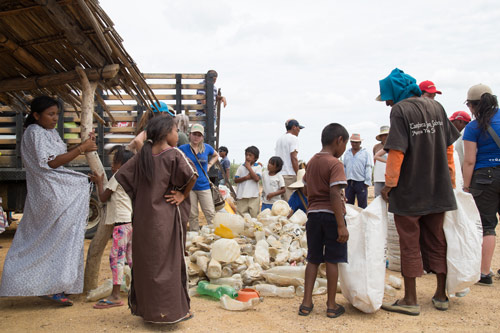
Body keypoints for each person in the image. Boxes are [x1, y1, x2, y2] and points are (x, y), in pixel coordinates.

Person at [0, 96, 97, 305]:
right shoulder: (34, 133)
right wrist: (82, 149)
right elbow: (52, 163)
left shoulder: (48, 132)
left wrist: (84, 144)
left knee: (52, 241)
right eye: (50, 114)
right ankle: (51, 286)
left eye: (57, 114)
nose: (55, 118)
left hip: (49, 191)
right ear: (36, 115)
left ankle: (55, 285)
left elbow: (58, 157)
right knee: (54, 240)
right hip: (51, 193)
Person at [377, 68, 459, 315]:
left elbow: (397, 152)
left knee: (409, 243)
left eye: (387, 97)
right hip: (438, 188)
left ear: (395, 93)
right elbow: (447, 148)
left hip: (410, 191)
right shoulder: (436, 107)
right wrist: (450, 181)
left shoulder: (400, 111)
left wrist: (389, 185)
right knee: (437, 239)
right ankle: (441, 294)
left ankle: (410, 299)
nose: (387, 102)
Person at [115, 114, 197, 323]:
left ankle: (148, 311)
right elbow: (192, 175)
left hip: (143, 220)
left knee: (147, 263)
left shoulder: (142, 156)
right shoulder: (173, 154)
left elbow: (122, 177)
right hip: (165, 220)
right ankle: (172, 311)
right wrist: (182, 194)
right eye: (175, 130)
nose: (177, 134)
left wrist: (141, 198)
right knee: (168, 262)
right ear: (166, 132)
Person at [298, 123, 349, 318]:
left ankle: (306, 303)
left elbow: (305, 189)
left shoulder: (311, 162)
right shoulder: (335, 163)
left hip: (313, 216)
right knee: (332, 260)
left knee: (313, 259)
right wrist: (341, 225)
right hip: (331, 216)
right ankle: (331, 305)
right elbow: (335, 193)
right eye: (343, 146)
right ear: (339, 141)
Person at [462, 83, 500, 286]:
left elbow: (469, 160)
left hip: (485, 177)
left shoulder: (473, 127)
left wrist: (466, 187)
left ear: (473, 105)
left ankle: (484, 273)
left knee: (487, 226)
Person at [90, 146, 134, 309]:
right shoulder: (130, 177)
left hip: (121, 225)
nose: (112, 164)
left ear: (122, 164)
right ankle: (139, 290)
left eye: (115, 161)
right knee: (130, 259)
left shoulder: (117, 177)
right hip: (129, 223)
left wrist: (100, 181)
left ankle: (115, 295)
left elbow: (102, 198)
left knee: (116, 259)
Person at [179, 124, 219, 231]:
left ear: (202, 137)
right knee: (192, 215)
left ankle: (214, 235)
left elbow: (216, 155)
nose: (196, 137)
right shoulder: (183, 148)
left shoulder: (207, 148)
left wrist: (210, 165)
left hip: (204, 185)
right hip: (190, 187)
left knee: (210, 213)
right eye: (194, 134)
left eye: (199, 135)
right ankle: (195, 236)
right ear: (190, 135)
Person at [275, 119, 304, 200]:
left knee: (281, 205)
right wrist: (299, 175)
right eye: (299, 128)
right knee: (290, 203)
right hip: (289, 175)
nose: (299, 131)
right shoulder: (293, 138)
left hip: (279, 174)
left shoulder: (279, 139)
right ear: (294, 127)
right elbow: (293, 157)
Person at [343, 134, 372, 208]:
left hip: (361, 182)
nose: (354, 144)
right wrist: (343, 180)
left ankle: (363, 219)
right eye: (352, 142)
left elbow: (368, 167)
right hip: (349, 182)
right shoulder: (347, 153)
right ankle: (349, 219)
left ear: (360, 143)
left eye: (356, 142)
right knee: (348, 205)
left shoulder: (365, 153)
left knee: (362, 205)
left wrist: (367, 181)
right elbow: (344, 167)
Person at [234, 146, 262, 218]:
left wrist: (249, 168)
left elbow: (256, 178)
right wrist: (246, 178)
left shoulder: (258, 167)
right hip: (242, 196)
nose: (247, 157)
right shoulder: (241, 167)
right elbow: (236, 180)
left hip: (253, 196)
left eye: (250, 155)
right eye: (246, 155)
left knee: (254, 215)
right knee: (240, 215)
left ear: (256, 158)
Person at [373, 126, 389, 197]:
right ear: (381, 136)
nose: (385, 137)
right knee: (378, 197)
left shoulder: (394, 146)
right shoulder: (376, 147)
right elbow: (375, 160)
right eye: (383, 135)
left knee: (390, 197)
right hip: (378, 176)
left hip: (389, 176)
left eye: (387, 135)